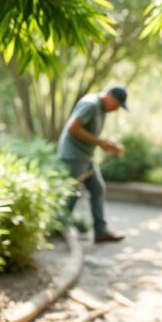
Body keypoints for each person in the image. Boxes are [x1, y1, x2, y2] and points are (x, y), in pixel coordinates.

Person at [58, 86, 129, 243]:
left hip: (86, 157)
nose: (117, 109)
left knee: (97, 188)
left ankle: (100, 231)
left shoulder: (101, 109)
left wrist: (106, 144)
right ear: (109, 96)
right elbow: (73, 128)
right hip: (74, 156)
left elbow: (88, 132)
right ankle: (59, 229)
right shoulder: (91, 104)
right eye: (117, 104)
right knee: (72, 193)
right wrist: (100, 143)